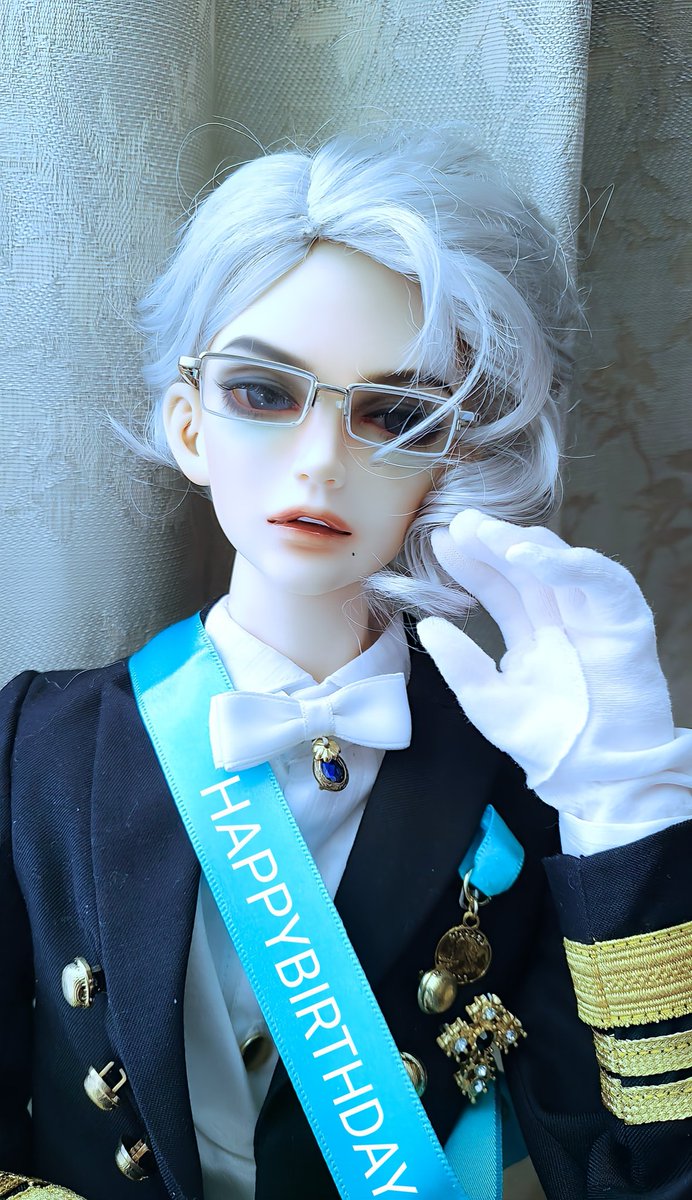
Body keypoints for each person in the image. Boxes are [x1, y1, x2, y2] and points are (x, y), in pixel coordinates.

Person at [1, 128, 690, 1200]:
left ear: (453, 457)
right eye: (262, 393)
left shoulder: (519, 777)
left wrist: (628, 820)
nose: (323, 461)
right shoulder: (34, 747)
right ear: (188, 424)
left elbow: (637, 1177)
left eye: (397, 415)